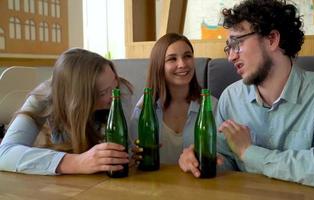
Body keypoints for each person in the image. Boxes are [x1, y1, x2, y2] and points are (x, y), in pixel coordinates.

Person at [178, 0, 314, 194]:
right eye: (228, 48)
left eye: (237, 43)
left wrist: (250, 153)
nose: (231, 57)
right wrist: (200, 158)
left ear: (272, 39)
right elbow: (225, 158)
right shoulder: (231, 97)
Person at [0, 48, 133, 175]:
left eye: (115, 83)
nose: (114, 95)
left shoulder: (119, 90)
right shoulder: (43, 98)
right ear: (78, 100)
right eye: (102, 93)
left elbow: (122, 149)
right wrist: (77, 162)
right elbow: (4, 154)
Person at [130, 33, 217, 164]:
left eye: (187, 56)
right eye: (172, 59)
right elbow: (132, 151)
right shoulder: (144, 107)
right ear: (159, 65)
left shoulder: (212, 105)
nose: (182, 64)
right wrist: (133, 156)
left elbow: (224, 157)